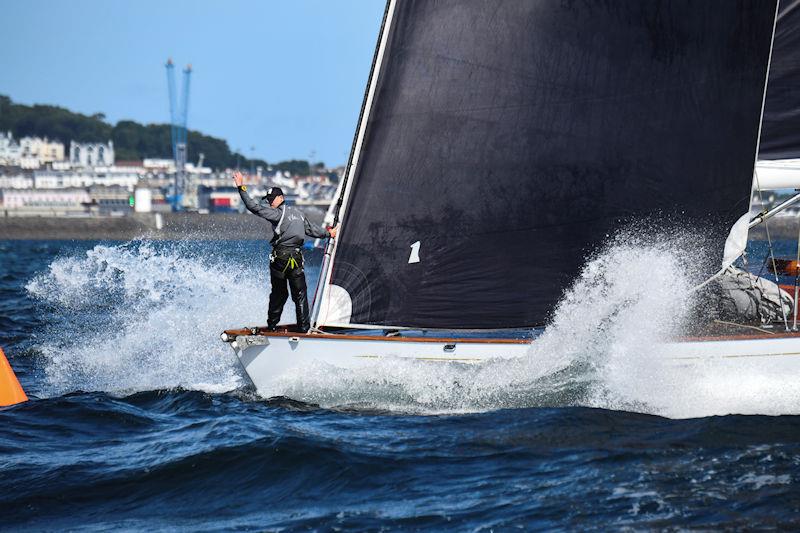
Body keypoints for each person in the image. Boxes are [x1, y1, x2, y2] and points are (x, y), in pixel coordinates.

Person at [233, 171, 338, 332]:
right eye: (268, 200)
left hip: (281, 259)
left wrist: (241, 187)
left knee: (279, 294)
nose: (269, 203)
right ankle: (304, 329)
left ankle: (272, 327)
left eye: (271, 199)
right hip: (296, 259)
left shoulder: (277, 214)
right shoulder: (298, 214)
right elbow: (313, 230)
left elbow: (253, 207)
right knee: (300, 295)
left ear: (281, 198)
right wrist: (329, 233)